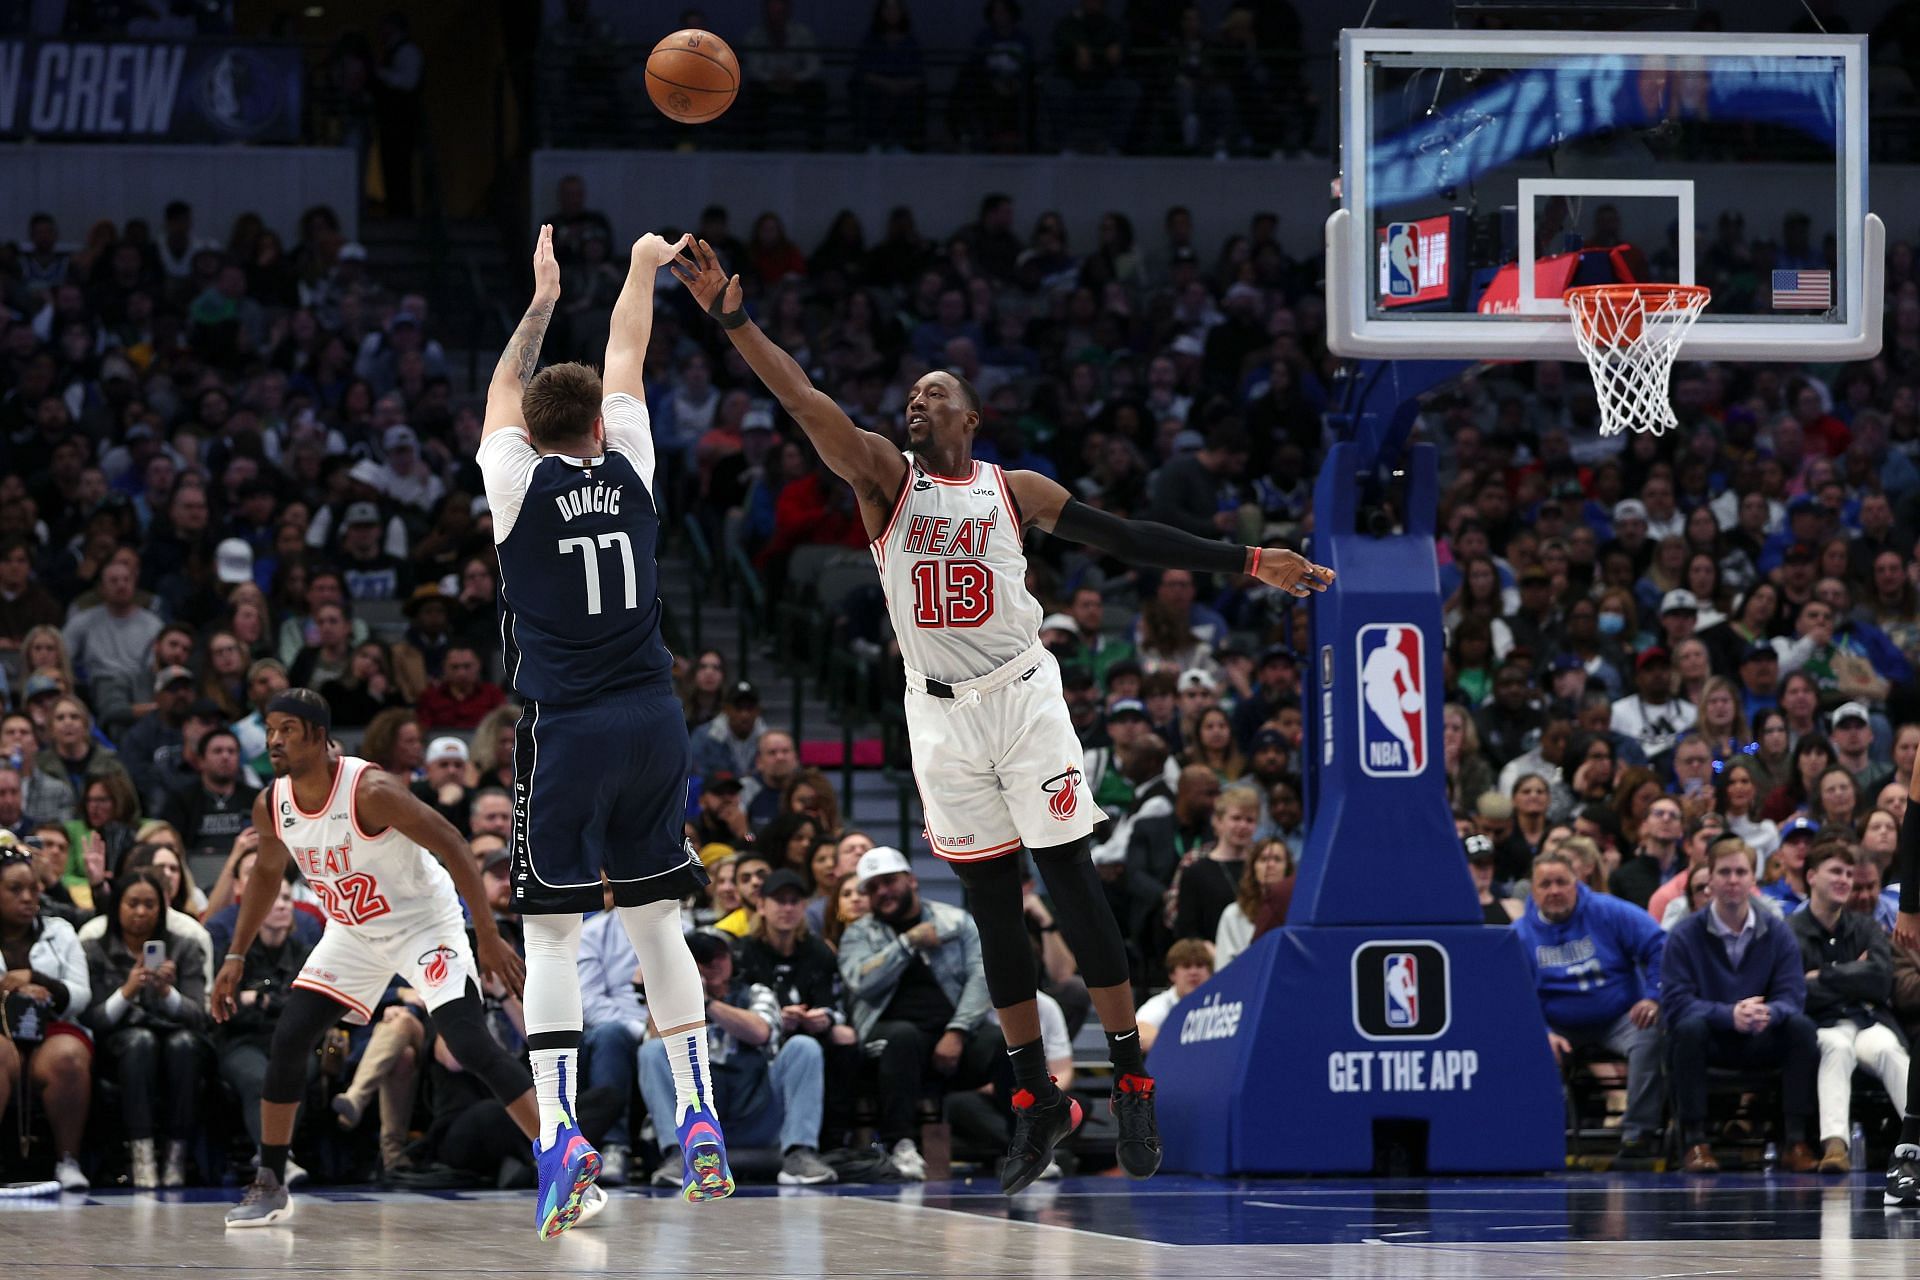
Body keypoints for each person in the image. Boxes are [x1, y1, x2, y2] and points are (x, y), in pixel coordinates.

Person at [676, 233, 1335, 1194]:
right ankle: (1037, 1103)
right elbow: (804, 401)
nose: (915, 402)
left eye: (933, 393)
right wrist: (735, 321)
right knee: (992, 913)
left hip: (1024, 698)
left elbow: (1128, 538)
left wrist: (1245, 561)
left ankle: (1132, 1077)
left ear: (972, 415)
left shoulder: (1011, 490)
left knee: (1069, 884)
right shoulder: (882, 480)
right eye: (909, 395)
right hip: (939, 718)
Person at [476, 227, 730, 1214]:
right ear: (596, 425)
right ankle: (699, 1112)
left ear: (536, 434)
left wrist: (542, 296)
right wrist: (638, 265)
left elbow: (505, 389)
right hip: (654, 717)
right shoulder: (630, 459)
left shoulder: (513, 479)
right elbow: (628, 351)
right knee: (662, 918)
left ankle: (561, 1135)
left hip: (570, 726)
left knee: (549, 936)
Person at [212, 691, 586, 1234]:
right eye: (270, 729)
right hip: (354, 931)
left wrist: (485, 933)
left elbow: (456, 844)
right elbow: (268, 873)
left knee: (468, 1042)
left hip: (423, 924)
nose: (273, 740)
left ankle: (564, 1159)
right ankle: (270, 1181)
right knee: (291, 1036)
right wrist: (235, 953)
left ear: (318, 736)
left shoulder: (370, 790)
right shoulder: (272, 803)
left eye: (287, 730)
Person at [837, 846, 999, 1180]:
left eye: (889, 881)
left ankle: (1023, 1143)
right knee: (902, 1038)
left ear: (910, 880)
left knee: (1000, 1041)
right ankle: (900, 1144)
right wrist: (908, 942)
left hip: (950, 1037)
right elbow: (860, 981)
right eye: (873, 888)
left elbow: (982, 977)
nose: (882, 892)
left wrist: (957, 1032)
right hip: (889, 1039)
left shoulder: (955, 922)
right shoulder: (858, 933)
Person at [1661, 835, 1821, 1174]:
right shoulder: (1684, 934)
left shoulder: (1778, 932)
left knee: (1802, 1030)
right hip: (1712, 1038)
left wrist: (1768, 1013)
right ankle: (1695, 1143)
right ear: (1710, 881)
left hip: (1762, 1035)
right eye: (1724, 872)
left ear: (1753, 880)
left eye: (1740, 872)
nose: (1732, 880)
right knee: (1687, 1029)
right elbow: (1676, 1002)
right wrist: (1728, 1015)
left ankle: (1796, 1141)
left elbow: (1793, 997)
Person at [640, 930, 833, 1187]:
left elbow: (760, 1032)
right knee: (651, 1052)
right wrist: (672, 992)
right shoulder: (673, 1000)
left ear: (731, 958)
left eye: (719, 955)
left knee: (803, 1047)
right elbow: (656, 1041)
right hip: (699, 1117)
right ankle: (680, 1154)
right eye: (701, 958)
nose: (713, 964)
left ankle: (800, 1152)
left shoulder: (756, 993)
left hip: (759, 1111)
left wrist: (706, 1002)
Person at [1515, 848, 1668, 1160]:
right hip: (1557, 1025)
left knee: (1652, 1032)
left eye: (1561, 882)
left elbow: (1660, 944)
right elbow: (1514, 995)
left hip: (1619, 1016)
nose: (1554, 891)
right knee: (1527, 1042)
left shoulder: (1608, 911)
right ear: (1532, 890)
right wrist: (1540, 1030)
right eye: (1545, 885)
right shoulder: (1519, 934)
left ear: (1577, 882)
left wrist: (1654, 997)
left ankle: (1638, 1135)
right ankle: (1544, 1140)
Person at [81, 868, 211, 1187]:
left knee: (183, 1044)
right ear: (117, 906)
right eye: (133, 903)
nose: (141, 912)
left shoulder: (185, 947)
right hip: (121, 1044)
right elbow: (94, 1021)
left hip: (176, 1039)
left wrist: (167, 993)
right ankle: (142, 1156)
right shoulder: (94, 950)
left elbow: (199, 1017)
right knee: (140, 1042)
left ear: (161, 909)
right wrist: (128, 991)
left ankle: (176, 1156)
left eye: (150, 904)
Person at [1788, 841, 1911, 1174]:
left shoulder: (1866, 926)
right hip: (1823, 1024)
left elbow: (1881, 980)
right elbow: (1796, 991)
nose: (1844, 880)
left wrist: (1824, 975)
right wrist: (1853, 976)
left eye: (1847, 873)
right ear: (1811, 876)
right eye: (1835, 872)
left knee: (1890, 1051)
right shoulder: (1790, 932)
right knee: (1836, 1047)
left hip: (1868, 1020)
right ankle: (1835, 1147)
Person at [0, 840, 93, 1190]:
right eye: (15, 889)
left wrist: (39, 981)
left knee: (68, 1056)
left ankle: (68, 1161)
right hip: (1, 1033)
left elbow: (82, 995)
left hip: (49, 1028)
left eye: (33, 889)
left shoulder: (60, 932)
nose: (28, 897)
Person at [1214, 837, 1291, 968]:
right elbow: (1222, 965)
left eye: (1277, 859)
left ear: (1287, 868)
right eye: (1263, 859)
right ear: (1253, 867)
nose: (1270, 865)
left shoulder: (1297, 911)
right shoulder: (1233, 914)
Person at [1135, 938, 1212, 1053]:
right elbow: (1139, 1034)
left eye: (1199, 965)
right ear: (1172, 974)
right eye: (1186, 966)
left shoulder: (1222, 1001)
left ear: (1210, 972)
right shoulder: (1160, 1004)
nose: (1193, 972)